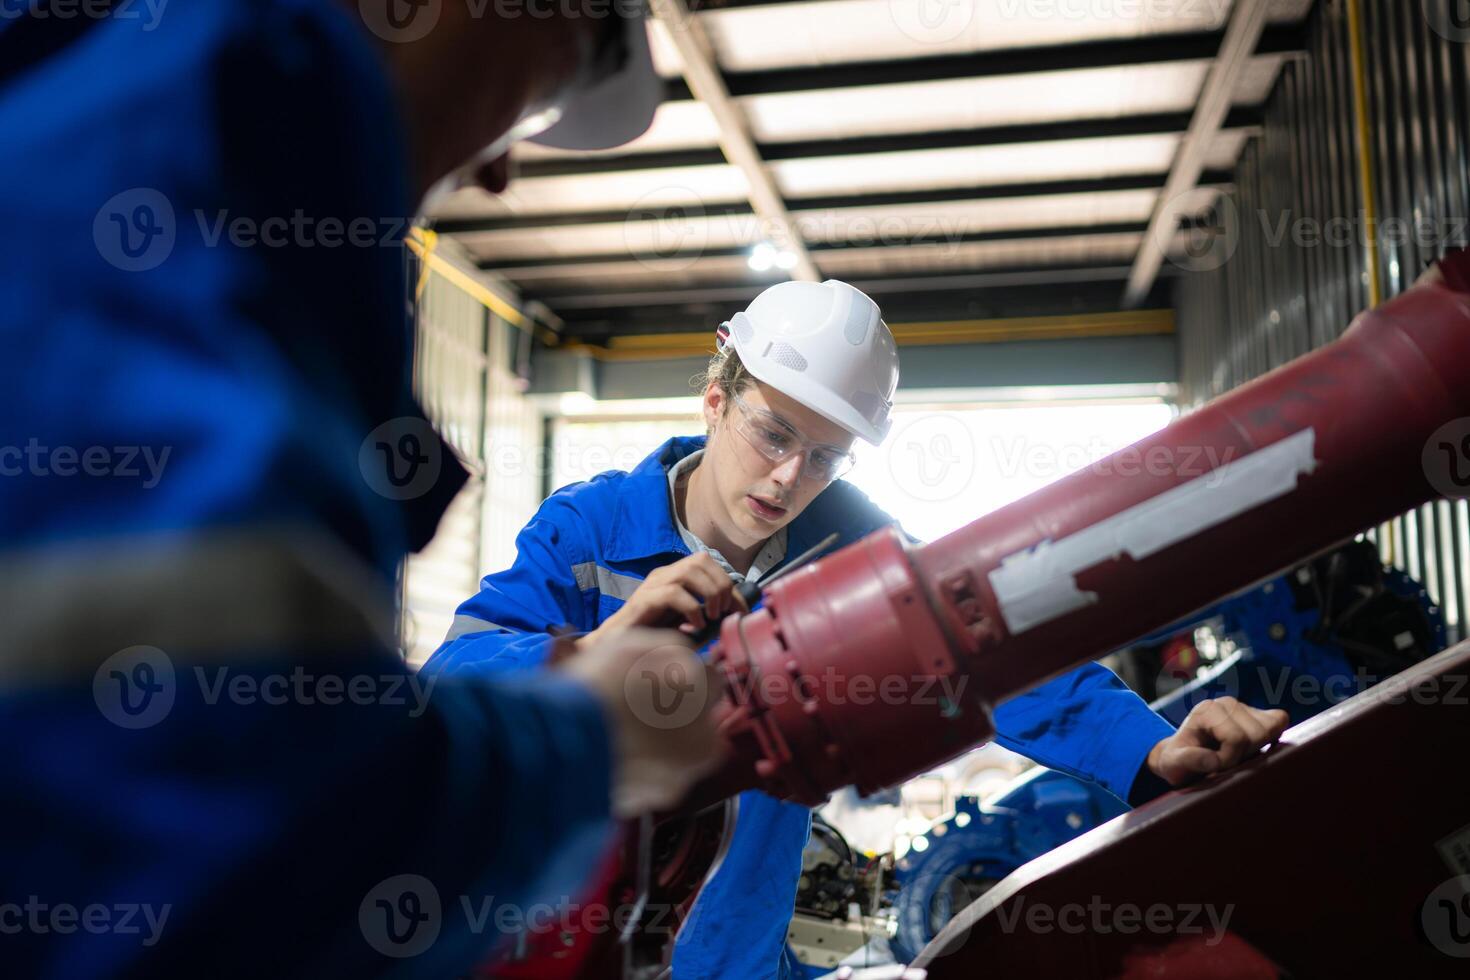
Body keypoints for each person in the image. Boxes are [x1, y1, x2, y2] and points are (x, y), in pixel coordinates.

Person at [0, 0, 721, 976]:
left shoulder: (88, 99)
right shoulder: (178, 173)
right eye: (544, 86)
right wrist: (589, 741)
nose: (502, 172)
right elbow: (265, 831)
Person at [425, 279, 1292, 977]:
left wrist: (1151, 753)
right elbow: (453, 672)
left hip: (735, 958)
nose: (789, 479)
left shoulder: (855, 548)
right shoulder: (592, 530)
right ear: (715, 399)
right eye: (774, 434)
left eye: (828, 456)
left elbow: (991, 659)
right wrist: (594, 653)